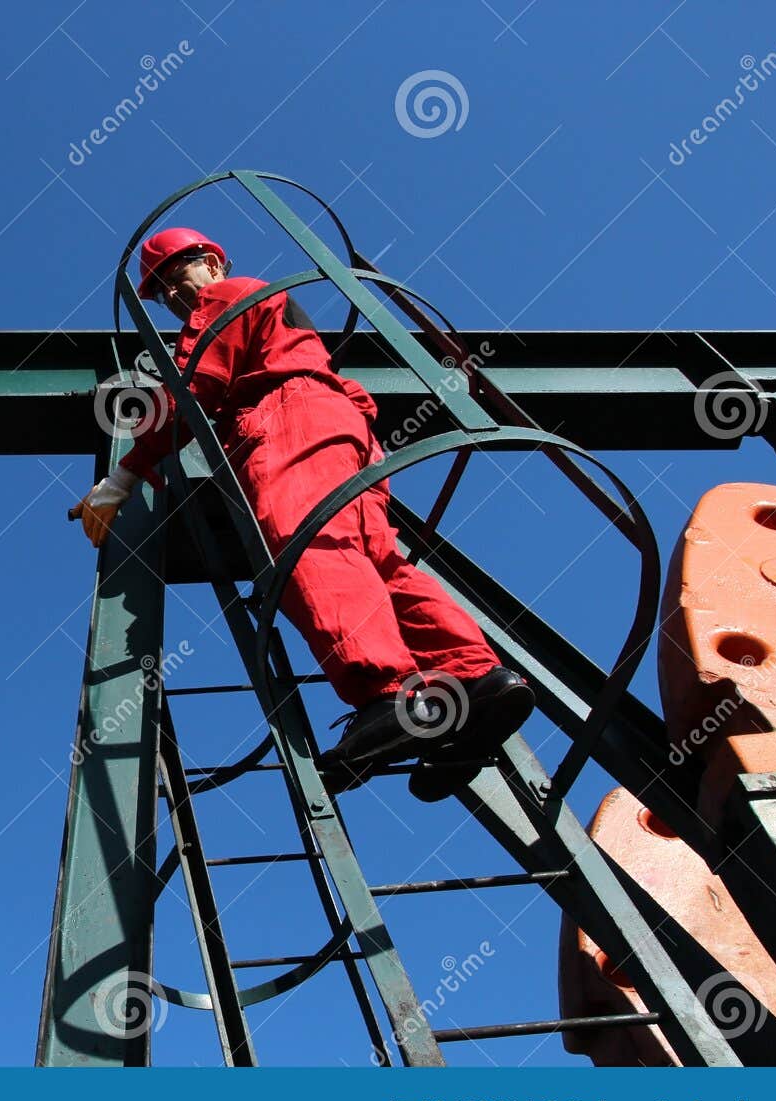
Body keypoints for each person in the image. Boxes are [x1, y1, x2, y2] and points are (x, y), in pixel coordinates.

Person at [70, 227, 534, 800]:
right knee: (376, 560)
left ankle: (388, 696)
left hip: (285, 418)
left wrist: (122, 477)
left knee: (304, 544)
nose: (173, 296)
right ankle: (475, 678)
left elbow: (195, 392)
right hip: (343, 427)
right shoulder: (281, 313)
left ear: (212, 263)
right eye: (162, 291)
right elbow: (341, 392)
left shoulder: (226, 297)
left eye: (176, 275)